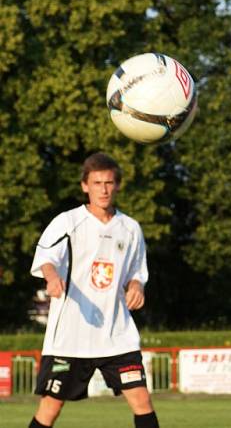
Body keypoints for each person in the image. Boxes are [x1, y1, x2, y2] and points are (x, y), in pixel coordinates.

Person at [28, 153, 158, 428]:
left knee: (142, 401)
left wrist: (136, 286)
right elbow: (46, 260)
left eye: (109, 183)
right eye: (97, 183)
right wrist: (52, 279)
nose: (104, 189)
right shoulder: (67, 222)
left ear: (117, 185)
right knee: (50, 409)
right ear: (85, 185)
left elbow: (137, 272)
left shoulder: (130, 228)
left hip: (117, 335)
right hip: (70, 337)